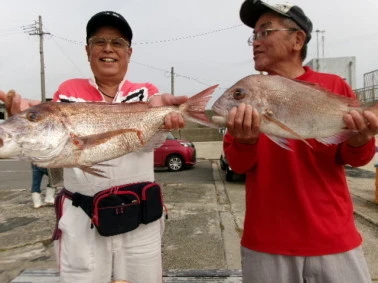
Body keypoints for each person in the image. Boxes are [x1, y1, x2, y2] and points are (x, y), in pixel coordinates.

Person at [0, 11, 187, 283]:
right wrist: (24, 127)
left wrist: (164, 123)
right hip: (82, 220)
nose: (108, 48)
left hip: (140, 217)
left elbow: (148, 146)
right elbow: (55, 150)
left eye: (118, 42)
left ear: (129, 52)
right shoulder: (68, 91)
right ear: (87, 50)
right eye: (99, 41)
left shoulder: (147, 95)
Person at [224, 1, 378, 282]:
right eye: (253, 35)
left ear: (297, 40)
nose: (255, 42)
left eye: (264, 32)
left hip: (334, 238)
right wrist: (245, 142)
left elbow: (355, 158)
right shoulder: (248, 94)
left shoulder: (333, 86)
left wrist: (361, 139)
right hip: (267, 242)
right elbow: (237, 165)